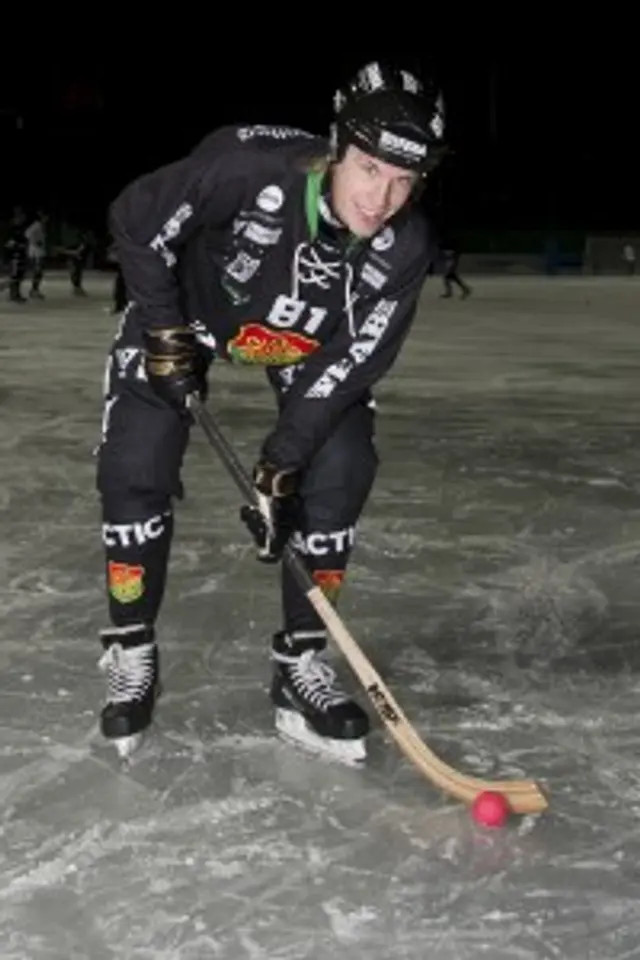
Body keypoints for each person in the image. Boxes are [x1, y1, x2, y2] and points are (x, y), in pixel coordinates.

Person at [97, 61, 447, 762]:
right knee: (135, 467)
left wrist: (282, 463)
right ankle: (130, 647)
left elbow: (349, 365)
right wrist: (164, 329)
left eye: (405, 181)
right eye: (371, 168)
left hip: (300, 349)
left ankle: (300, 664)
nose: (382, 198)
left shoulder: (402, 250)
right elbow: (136, 222)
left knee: (340, 467)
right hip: (188, 318)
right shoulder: (245, 167)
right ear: (339, 146)